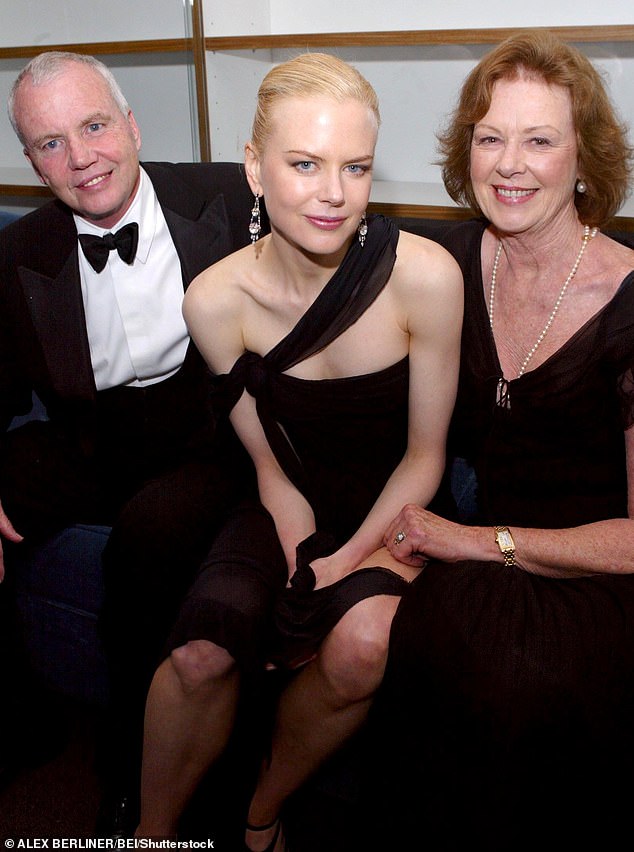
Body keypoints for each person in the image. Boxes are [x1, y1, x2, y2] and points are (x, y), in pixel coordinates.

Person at [134, 52, 462, 845]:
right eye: (304, 164)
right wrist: (293, 536)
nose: (333, 193)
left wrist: (344, 563)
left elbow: (425, 458)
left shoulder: (426, 277)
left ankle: (261, 809)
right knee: (200, 652)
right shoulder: (213, 301)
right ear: (254, 167)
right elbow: (268, 465)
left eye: (355, 167)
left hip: (399, 503)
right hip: (290, 494)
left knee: (359, 645)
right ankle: (148, 833)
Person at [373, 29, 634, 851]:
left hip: (592, 572)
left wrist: (472, 540)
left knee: (518, 682)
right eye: (491, 137)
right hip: (472, 553)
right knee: (429, 645)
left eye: (539, 140)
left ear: (584, 160)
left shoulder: (627, 301)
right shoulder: (447, 261)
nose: (509, 163)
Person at [1, 51, 258, 835]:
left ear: (132, 124)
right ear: (31, 162)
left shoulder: (234, 196)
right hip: (92, 437)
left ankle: (133, 773)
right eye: (50, 143)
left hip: (211, 436)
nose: (80, 159)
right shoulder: (18, 254)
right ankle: (20, 721)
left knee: (149, 538)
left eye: (94, 126)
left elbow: (348, 242)